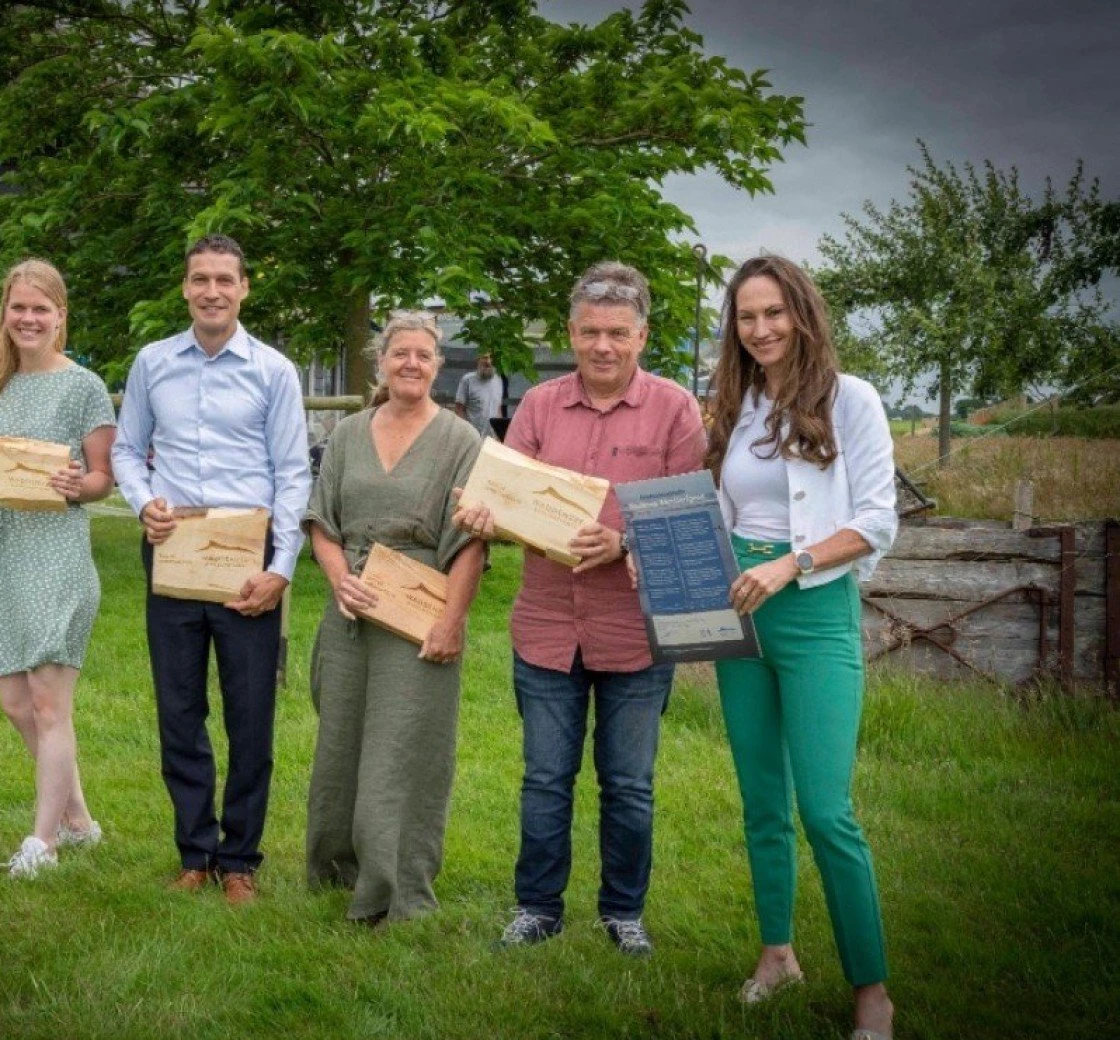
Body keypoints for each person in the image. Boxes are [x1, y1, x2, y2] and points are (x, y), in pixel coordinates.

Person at [454, 261, 706, 953]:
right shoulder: (537, 407)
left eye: (617, 333)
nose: (602, 346)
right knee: (544, 778)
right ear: (570, 331)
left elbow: (691, 519)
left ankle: (623, 912)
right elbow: (507, 503)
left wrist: (623, 541)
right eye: (590, 331)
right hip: (547, 628)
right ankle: (537, 907)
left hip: (633, 631)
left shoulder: (676, 410)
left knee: (628, 784)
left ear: (642, 335)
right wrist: (485, 513)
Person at [707, 255, 896, 1039]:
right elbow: (716, 513)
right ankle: (777, 953)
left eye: (774, 314)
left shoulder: (851, 400)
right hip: (737, 613)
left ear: (803, 314)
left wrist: (794, 562)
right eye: (747, 318)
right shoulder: (735, 406)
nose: (761, 331)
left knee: (826, 810)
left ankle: (872, 991)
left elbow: (879, 519)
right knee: (762, 805)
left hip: (813, 611)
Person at [111, 234, 311, 905]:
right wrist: (145, 504)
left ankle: (241, 860)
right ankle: (195, 851)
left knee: (249, 714)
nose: (212, 291)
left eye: (225, 280)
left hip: (244, 559)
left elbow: (292, 474)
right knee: (179, 711)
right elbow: (127, 449)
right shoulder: (152, 362)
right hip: (172, 550)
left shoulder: (275, 371)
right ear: (185, 286)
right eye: (201, 279)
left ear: (245, 287)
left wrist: (280, 568)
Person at [304, 311, 485, 924]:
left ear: (439, 366)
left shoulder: (460, 441)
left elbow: (469, 542)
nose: (412, 363)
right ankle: (335, 868)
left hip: (420, 603)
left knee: (402, 745)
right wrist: (339, 583)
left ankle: (394, 887)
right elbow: (321, 523)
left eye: (424, 355)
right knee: (341, 741)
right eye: (400, 353)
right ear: (380, 360)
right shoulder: (349, 433)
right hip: (352, 606)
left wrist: (452, 620)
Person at [0, 260, 117, 879]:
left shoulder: (84, 387)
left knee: (50, 705)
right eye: (18, 308)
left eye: (40, 309)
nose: (28, 319)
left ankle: (42, 844)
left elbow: (104, 476)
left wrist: (82, 483)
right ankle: (78, 821)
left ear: (60, 317)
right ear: (6, 314)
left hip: (55, 554)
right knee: (15, 702)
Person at [454, 351, 505, 438]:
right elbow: (459, 410)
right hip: (472, 438)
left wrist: (500, 433)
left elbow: (498, 409)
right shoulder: (468, 380)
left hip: (492, 439)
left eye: (491, 358)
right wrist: (463, 434)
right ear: (478, 360)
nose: (488, 362)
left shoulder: (498, 380)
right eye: (485, 358)